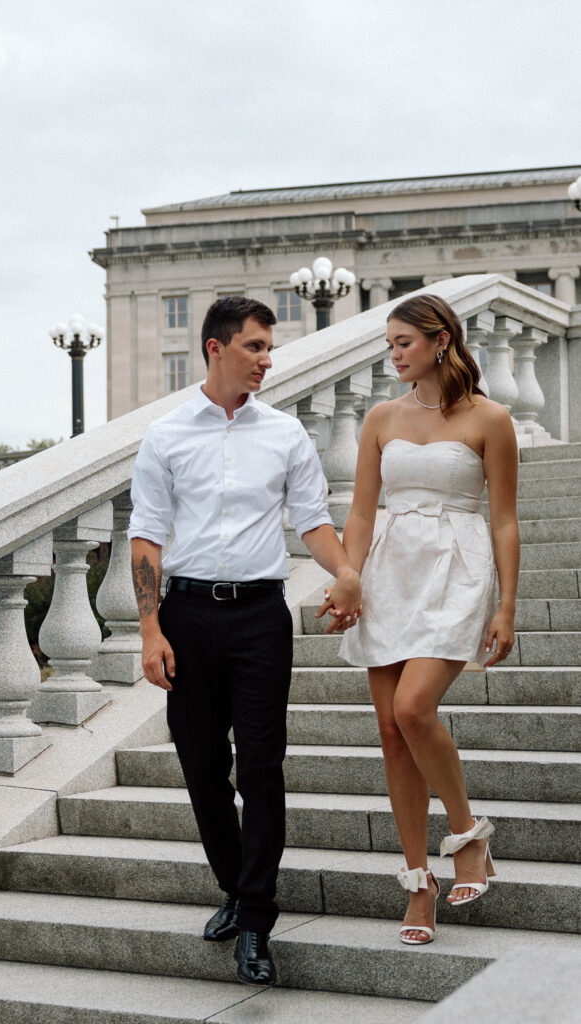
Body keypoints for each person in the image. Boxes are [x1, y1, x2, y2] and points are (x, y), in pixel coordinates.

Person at [128, 296, 360, 985]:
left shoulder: (284, 433)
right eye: (255, 346)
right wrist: (149, 629)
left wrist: (346, 571)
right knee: (202, 769)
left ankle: (256, 920)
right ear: (215, 349)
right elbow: (146, 535)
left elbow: (312, 522)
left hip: (260, 616)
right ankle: (235, 885)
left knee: (259, 767)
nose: (266, 359)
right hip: (188, 617)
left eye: (269, 348)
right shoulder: (165, 436)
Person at [321, 293, 519, 946]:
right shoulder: (379, 417)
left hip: (457, 569)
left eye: (402, 341)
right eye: (388, 343)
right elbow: (358, 511)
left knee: (413, 710)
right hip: (387, 571)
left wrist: (506, 605)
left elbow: (503, 519)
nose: (393, 353)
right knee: (388, 731)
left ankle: (466, 836)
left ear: (440, 341)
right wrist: (346, 578)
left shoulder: (491, 419)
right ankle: (417, 882)